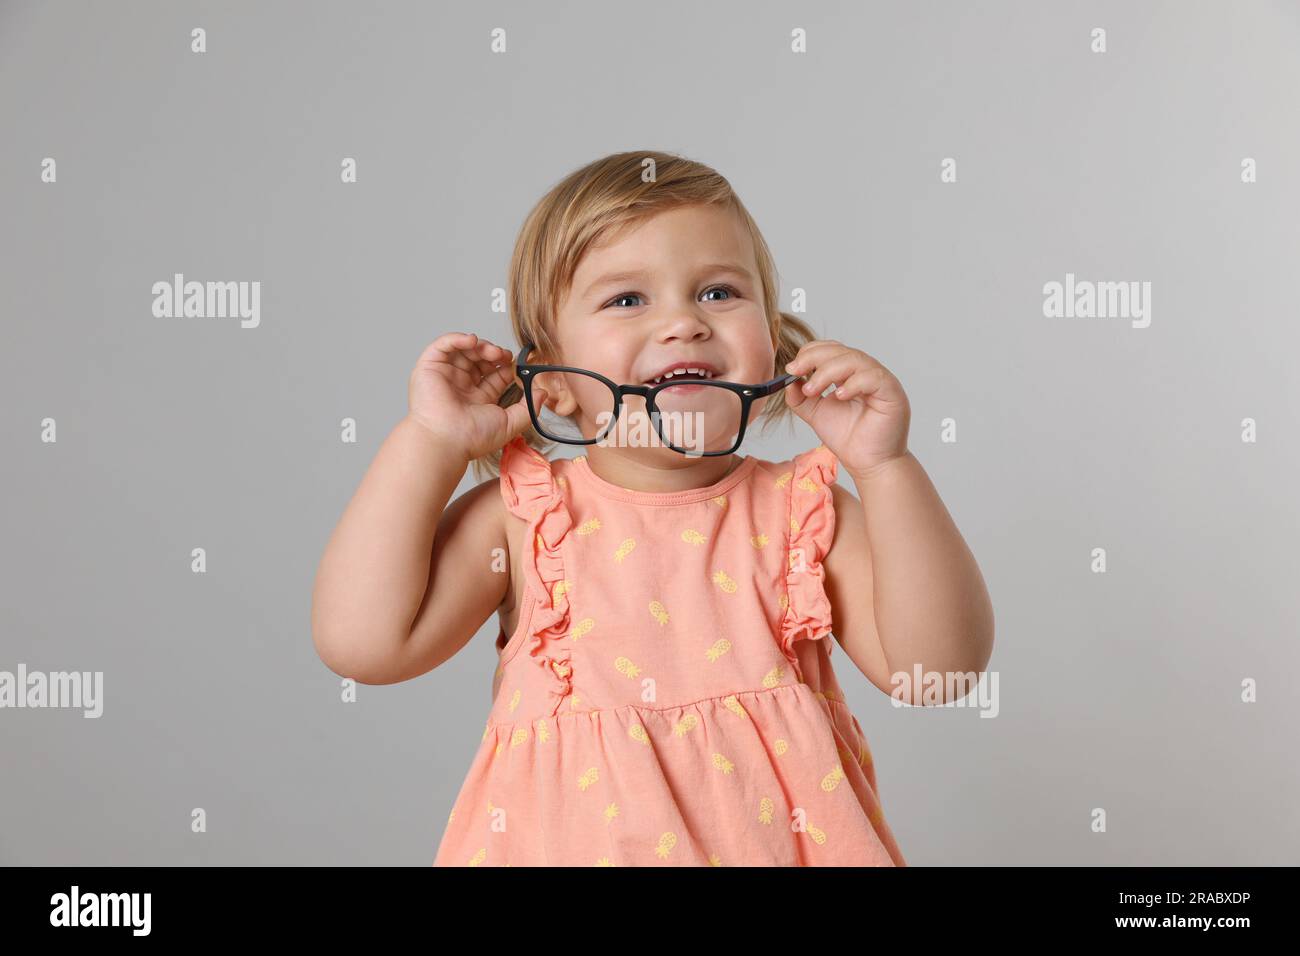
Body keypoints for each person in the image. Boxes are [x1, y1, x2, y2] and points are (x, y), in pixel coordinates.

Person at [311, 150, 994, 866]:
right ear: (554, 379)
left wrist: (886, 467)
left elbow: (937, 672)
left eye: (720, 292)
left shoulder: (805, 514)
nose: (684, 323)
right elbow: (364, 644)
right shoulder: (524, 520)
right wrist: (429, 443)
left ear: (773, 341)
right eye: (627, 300)